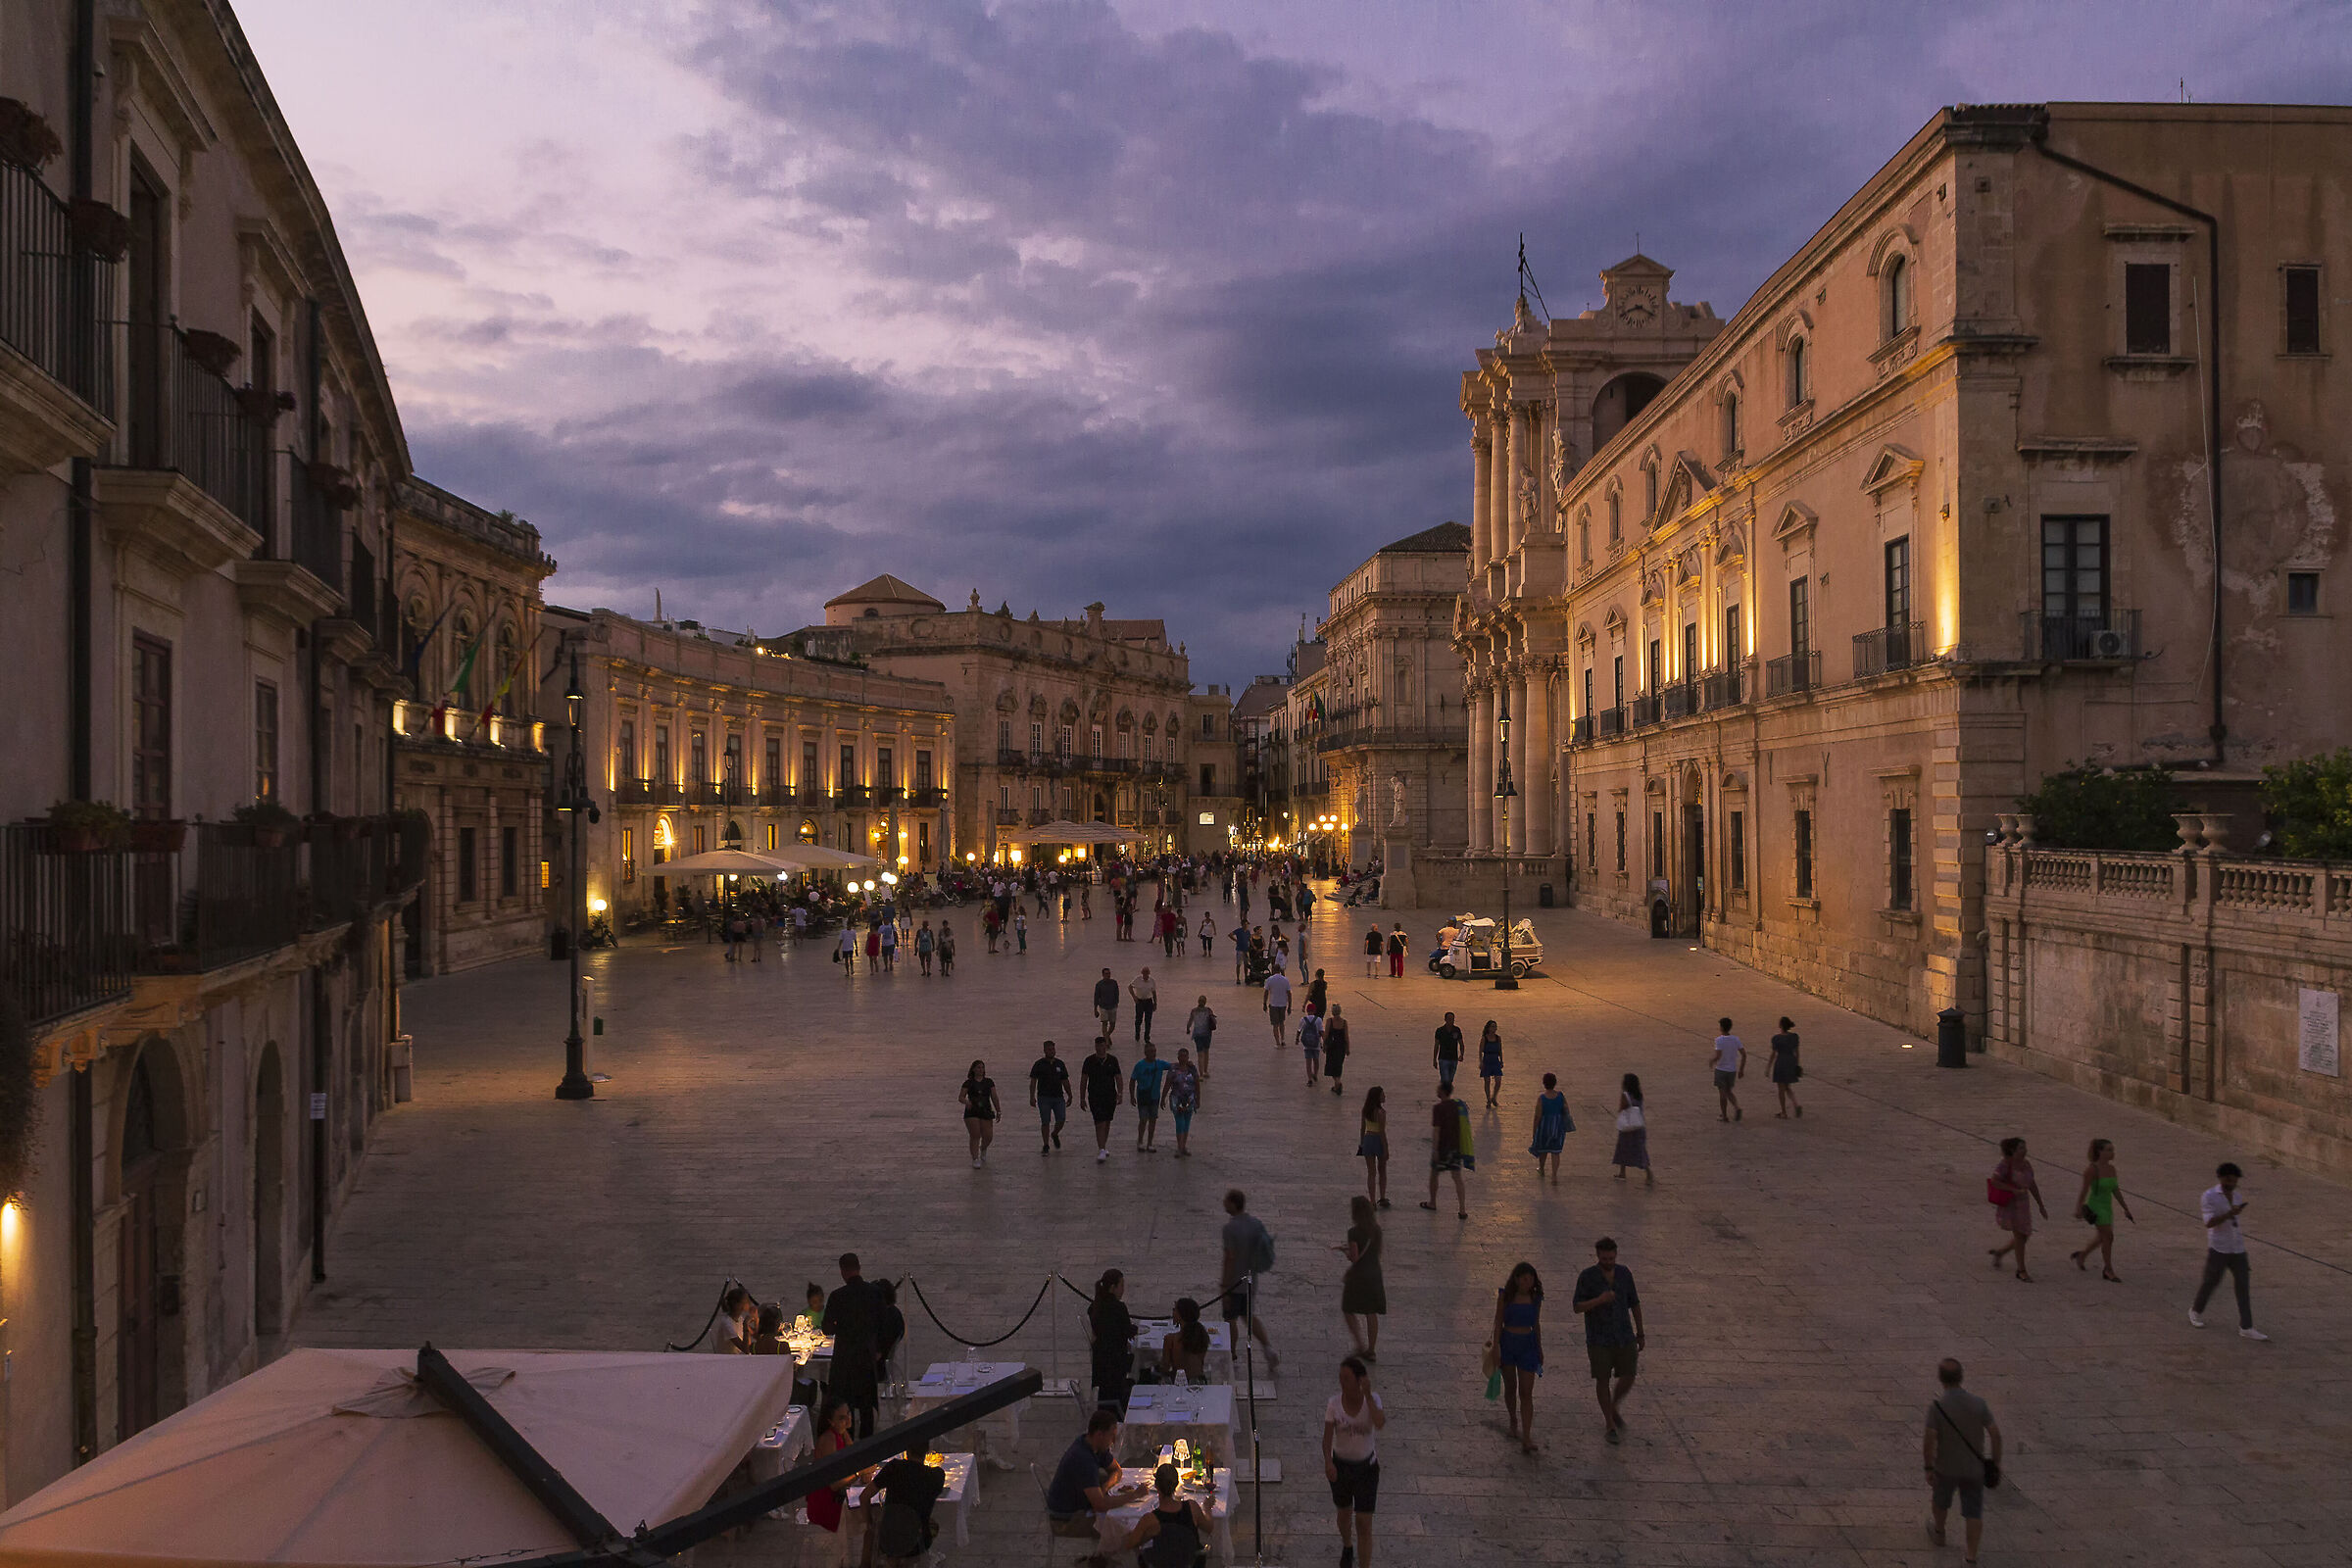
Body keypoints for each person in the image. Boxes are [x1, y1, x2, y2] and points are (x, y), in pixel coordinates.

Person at [1924, 1358, 2000, 1564]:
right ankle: (1971, 1556)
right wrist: (1995, 1462)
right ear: (1961, 1377)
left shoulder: (1938, 1407)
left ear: (1940, 1378)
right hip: (1974, 1469)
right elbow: (1995, 1433)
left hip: (1946, 1467)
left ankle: (1939, 1531)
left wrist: (1929, 1466)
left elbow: (1929, 1440)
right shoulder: (1978, 1404)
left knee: (1940, 1500)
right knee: (1973, 1511)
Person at [1571, 1238, 1643, 1446]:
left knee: (1629, 1374)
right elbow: (1577, 1306)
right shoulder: (1588, 1277)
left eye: (1611, 1258)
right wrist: (1599, 1300)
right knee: (1602, 1379)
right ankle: (1609, 1423)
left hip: (1624, 1335)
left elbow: (1635, 1303)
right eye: (1605, 1258)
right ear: (1598, 1256)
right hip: (1599, 1338)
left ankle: (1613, 1405)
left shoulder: (1624, 1274)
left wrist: (1641, 1332)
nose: (1608, 1261)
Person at [1045, 1407, 1140, 1563]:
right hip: (1067, 1519)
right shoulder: (1083, 1459)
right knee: (1123, 1526)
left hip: (1083, 1502)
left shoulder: (1094, 1444)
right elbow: (1101, 1505)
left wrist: (1105, 1487)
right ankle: (1103, 1561)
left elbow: (1116, 1470)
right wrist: (1134, 1495)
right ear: (1099, 1434)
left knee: (1121, 1515)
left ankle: (1103, 1558)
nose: (1114, 1442)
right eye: (1112, 1437)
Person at [2189, 1160, 2267, 1339]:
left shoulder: (2237, 1196)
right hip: (2219, 1247)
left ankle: (2246, 1326)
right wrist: (2228, 1215)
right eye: (2229, 1180)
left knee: (2243, 1285)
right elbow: (2209, 1223)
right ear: (2221, 1178)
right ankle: (2195, 1310)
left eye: (2234, 1181)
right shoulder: (2209, 1196)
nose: (2231, 1184)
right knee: (2211, 1281)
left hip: (2237, 1247)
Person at [1322, 1355, 1386, 1568]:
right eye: (1341, 1378)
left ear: (1360, 1380)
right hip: (1341, 1468)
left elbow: (1380, 1423)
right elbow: (1327, 1438)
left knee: (1364, 1522)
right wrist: (1328, 1462)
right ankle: (1347, 1544)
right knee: (1344, 1515)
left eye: (1347, 1378)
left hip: (1366, 1469)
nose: (1342, 1383)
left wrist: (1367, 1395)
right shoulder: (1334, 1404)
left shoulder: (1373, 1400)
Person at [823, 1253, 885, 1438]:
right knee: (866, 1407)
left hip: (845, 1360)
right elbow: (883, 1323)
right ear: (859, 1267)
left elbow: (827, 1328)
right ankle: (866, 1447)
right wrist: (879, 1350)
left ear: (842, 1271)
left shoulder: (837, 1296)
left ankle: (846, 1443)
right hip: (866, 1357)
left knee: (845, 1406)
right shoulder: (875, 1293)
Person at [1219, 1189, 1280, 1373]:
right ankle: (1268, 1348)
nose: (1223, 1203)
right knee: (1248, 1316)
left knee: (1230, 1319)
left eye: (1226, 1200)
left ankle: (1231, 1355)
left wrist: (1224, 1284)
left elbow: (1230, 1257)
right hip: (1251, 1280)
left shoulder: (1229, 1229)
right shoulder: (1255, 1224)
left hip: (1235, 1282)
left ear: (1233, 1204)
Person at [1487, 1261, 1544, 1454]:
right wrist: (1496, 1348)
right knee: (1511, 1387)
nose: (1528, 1281)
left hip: (1527, 1346)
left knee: (1526, 1392)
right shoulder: (1505, 1297)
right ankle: (1513, 1418)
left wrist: (1539, 1348)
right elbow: (1498, 1321)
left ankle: (1527, 1436)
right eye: (1525, 1278)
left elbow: (1536, 1324)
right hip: (1508, 1343)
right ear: (1517, 1279)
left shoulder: (1535, 1298)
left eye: (1531, 1278)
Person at [2068, 1138, 2135, 1281]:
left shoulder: (2111, 1169)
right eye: (2109, 1150)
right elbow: (2084, 1191)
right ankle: (2108, 1269)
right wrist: (2078, 1208)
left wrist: (2125, 1208)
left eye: (2112, 1150)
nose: (2112, 1153)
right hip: (2096, 1207)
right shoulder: (2092, 1170)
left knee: (2101, 1238)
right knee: (2108, 1237)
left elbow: (2115, 1190)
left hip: (2107, 1207)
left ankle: (2082, 1256)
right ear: (2100, 1151)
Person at [867, 1445, 947, 1565]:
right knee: (930, 1524)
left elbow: (864, 1497)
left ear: (906, 1451)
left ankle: (893, 1561)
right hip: (918, 1539)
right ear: (927, 1451)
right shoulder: (936, 1476)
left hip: (889, 1537)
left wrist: (870, 1523)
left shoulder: (893, 1468)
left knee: (894, 1529)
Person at [805, 1397, 861, 1565]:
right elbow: (834, 1484)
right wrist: (857, 1473)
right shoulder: (829, 1440)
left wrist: (844, 1431)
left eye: (848, 1414)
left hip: (836, 1494)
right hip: (825, 1502)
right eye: (842, 1417)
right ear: (830, 1421)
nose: (848, 1419)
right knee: (867, 1515)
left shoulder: (841, 1433)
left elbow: (853, 1455)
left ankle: (848, 1556)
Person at [1122, 1462, 1211, 1568]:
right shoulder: (1192, 1507)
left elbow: (1129, 1545)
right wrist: (1207, 1509)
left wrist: (1145, 1536)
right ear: (1177, 1483)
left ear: (1156, 1486)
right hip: (1192, 1564)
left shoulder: (1149, 1519)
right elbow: (1209, 1528)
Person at [1986, 1136, 2048, 1282]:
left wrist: (2040, 1205)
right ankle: (2021, 1270)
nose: (2025, 1150)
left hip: (2023, 1204)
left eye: (2024, 1147)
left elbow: (2032, 1184)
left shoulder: (2026, 1164)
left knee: (2024, 1235)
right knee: (2020, 1236)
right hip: (2011, 1205)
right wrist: (2012, 1190)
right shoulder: (2005, 1165)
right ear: (2012, 1151)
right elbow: (1995, 1181)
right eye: (2021, 1148)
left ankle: (2001, 1252)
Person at [1335, 1195, 1386, 1359]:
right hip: (1375, 1274)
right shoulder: (1376, 1229)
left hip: (1359, 1276)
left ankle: (1359, 1344)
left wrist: (1344, 1250)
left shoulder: (1354, 1232)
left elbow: (1354, 1258)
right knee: (1371, 1312)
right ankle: (1371, 1349)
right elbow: (1376, 1252)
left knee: (1348, 1308)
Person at [1090, 1269, 1137, 1413]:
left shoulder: (1095, 1306)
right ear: (1112, 1288)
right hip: (1116, 1363)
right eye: (1121, 1285)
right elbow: (1127, 1331)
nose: (1123, 1290)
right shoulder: (1118, 1308)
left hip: (1100, 1363)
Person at [1421, 1081, 1470, 1218]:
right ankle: (1462, 1209)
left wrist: (1435, 1150)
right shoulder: (1458, 1106)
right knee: (1457, 1177)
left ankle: (1432, 1202)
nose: (1436, 1090)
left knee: (1434, 1174)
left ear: (1442, 1091)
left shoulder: (1438, 1108)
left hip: (1443, 1148)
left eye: (1438, 1088)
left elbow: (1437, 1130)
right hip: (1455, 1147)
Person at [1030, 1040, 1070, 1153]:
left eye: (1053, 1049)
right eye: (1049, 1049)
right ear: (1044, 1050)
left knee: (1061, 1119)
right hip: (1044, 1097)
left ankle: (1055, 1133)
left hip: (1058, 1097)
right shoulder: (1039, 1064)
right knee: (1045, 1121)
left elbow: (1065, 1080)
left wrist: (1070, 1094)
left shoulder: (1060, 1064)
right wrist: (1032, 1096)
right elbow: (1033, 1081)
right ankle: (1046, 1144)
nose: (1051, 1051)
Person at [1131, 1040, 1171, 1152]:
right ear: (1146, 1053)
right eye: (1151, 1051)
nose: (1153, 1053)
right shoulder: (1140, 1065)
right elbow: (1132, 1080)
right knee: (1143, 1119)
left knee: (1153, 1119)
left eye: (1154, 1051)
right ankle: (1140, 1141)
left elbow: (1172, 1066)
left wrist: (1186, 1063)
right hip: (1143, 1096)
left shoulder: (1159, 1064)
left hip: (1154, 1096)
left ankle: (1150, 1143)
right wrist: (1132, 1095)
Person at [1611, 1073, 1651, 1184]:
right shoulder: (1639, 1095)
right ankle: (1648, 1173)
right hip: (1639, 1127)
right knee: (1640, 1150)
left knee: (1623, 1148)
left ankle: (1622, 1173)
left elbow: (1622, 1108)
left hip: (1627, 1129)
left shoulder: (1625, 1095)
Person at [959, 1058, 1000, 1167]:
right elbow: (961, 1097)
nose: (980, 1070)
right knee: (975, 1135)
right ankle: (975, 1158)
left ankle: (983, 1148)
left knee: (988, 1136)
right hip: (972, 1111)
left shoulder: (989, 1082)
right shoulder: (968, 1083)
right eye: (978, 1067)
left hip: (985, 1110)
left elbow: (994, 1097)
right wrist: (966, 1102)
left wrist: (998, 1110)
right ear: (973, 1069)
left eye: (982, 1067)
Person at [1530, 1072, 1571, 1179]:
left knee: (1543, 1150)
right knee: (1555, 1152)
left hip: (1544, 1127)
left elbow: (1537, 1116)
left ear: (1544, 1083)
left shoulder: (1542, 1098)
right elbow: (1566, 1109)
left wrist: (1534, 1131)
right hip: (1557, 1127)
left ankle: (1542, 1169)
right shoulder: (1560, 1096)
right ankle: (1554, 1175)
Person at [1159, 1297, 1210, 1382]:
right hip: (1199, 1381)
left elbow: (1166, 1367)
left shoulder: (1170, 1339)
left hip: (1178, 1382)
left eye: (1174, 1310)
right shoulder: (1202, 1335)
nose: (1173, 1312)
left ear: (1180, 1315)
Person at [1357, 1087, 1390, 1209]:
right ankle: (1382, 1196)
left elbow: (1362, 1128)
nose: (1384, 1096)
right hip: (1377, 1140)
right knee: (1382, 1170)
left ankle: (1372, 1201)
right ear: (1377, 1097)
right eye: (1382, 1095)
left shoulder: (1365, 1110)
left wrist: (1362, 1144)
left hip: (1367, 1139)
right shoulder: (1381, 1113)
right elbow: (1382, 1132)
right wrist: (1386, 1149)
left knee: (1371, 1172)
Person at [1167, 1048, 1200, 1157]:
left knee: (1186, 1124)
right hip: (1177, 1099)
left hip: (1190, 1099)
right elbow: (1168, 1083)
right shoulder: (1173, 1069)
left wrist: (1198, 1098)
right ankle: (1180, 1147)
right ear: (1178, 1057)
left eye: (1185, 1056)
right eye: (1181, 1056)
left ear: (1188, 1057)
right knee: (1179, 1123)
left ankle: (1183, 1146)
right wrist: (1163, 1097)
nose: (1183, 1058)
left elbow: (1197, 1084)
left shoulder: (1192, 1069)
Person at [1710, 1018, 1744, 1122]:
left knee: (1722, 1094)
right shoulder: (1736, 1039)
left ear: (1721, 1027)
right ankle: (1737, 1107)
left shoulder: (1719, 1040)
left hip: (1721, 1070)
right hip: (1732, 1070)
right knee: (1729, 1091)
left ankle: (1724, 1116)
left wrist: (1711, 1061)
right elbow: (1744, 1054)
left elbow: (1718, 1056)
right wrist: (1741, 1069)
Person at [713, 1284, 753, 1354]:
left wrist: (756, 1320)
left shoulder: (739, 1318)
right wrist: (746, 1324)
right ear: (737, 1305)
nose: (749, 1303)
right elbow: (745, 1349)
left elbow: (753, 1335)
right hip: (728, 1359)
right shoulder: (727, 1323)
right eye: (746, 1301)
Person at [1186, 996, 1217, 1079]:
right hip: (1207, 1033)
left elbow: (1190, 1021)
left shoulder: (1194, 1011)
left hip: (1197, 1034)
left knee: (1200, 1054)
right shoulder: (1208, 1010)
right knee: (1206, 1052)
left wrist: (1188, 1029)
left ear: (1198, 1001)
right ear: (1205, 1002)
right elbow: (1214, 1021)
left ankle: (1201, 1074)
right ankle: (1205, 1071)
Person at [1433, 1013, 1463, 1096]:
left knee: (1450, 1080)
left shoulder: (1457, 1030)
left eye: (1452, 1019)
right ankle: (1445, 1097)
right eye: (1449, 1019)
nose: (1451, 1021)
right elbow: (1436, 1045)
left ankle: (1445, 1096)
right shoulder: (1440, 1030)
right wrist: (1434, 1059)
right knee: (1445, 1080)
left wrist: (1461, 1054)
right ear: (1445, 1019)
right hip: (1443, 1058)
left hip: (1454, 1059)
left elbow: (1461, 1043)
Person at [1323, 1006, 1351, 1095]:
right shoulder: (1344, 1022)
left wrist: (1324, 1046)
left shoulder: (1329, 1021)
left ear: (1332, 1012)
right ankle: (1336, 1085)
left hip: (1332, 1047)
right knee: (1339, 1065)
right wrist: (1348, 1048)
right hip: (1341, 1047)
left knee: (1331, 1066)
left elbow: (1326, 1035)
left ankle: (1337, 1083)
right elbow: (1346, 1037)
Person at [1263, 965, 1292, 1045]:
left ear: (1273, 970)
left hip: (1273, 1004)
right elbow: (1289, 993)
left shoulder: (1270, 980)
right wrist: (1289, 1006)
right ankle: (1283, 1039)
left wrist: (1264, 1003)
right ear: (1279, 970)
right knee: (1281, 1023)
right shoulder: (1285, 980)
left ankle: (1277, 1042)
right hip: (1283, 1004)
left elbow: (1266, 992)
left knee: (1275, 1025)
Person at [1478, 1020, 1503, 1107]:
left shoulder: (1498, 1038)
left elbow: (1500, 1050)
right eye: (1492, 1026)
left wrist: (1501, 1060)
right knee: (1487, 1081)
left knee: (1498, 1080)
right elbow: (1480, 1051)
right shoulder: (1484, 1038)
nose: (1494, 1028)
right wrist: (1480, 1062)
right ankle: (1488, 1099)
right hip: (1487, 1060)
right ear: (1488, 1028)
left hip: (1495, 1060)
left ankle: (1494, 1097)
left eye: (1495, 1027)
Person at [1130, 967, 1158, 1043]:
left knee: (1148, 1020)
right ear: (1142, 973)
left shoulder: (1152, 981)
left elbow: (1154, 993)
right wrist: (1134, 997)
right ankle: (1137, 1034)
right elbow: (1130, 987)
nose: (1145, 974)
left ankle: (1147, 1037)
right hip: (1139, 1002)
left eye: (1147, 972)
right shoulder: (1137, 980)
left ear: (1149, 973)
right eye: (1144, 972)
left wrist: (1155, 1003)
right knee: (1138, 1019)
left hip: (1149, 1002)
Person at [1093, 968, 1120, 1038]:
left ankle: (1107, 1036)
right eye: (1106, 974)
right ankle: (1106, 1041)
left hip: (1113, 1006)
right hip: (1103, 1007)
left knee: (1113, 1025)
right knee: (1104, 1023)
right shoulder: (1099, 984)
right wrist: (1095, 1009)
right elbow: (1096, 997)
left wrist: (1116, 1003)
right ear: (1103, 975)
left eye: (1109, 973)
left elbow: (1117, 993)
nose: (1108, 975)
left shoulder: (1114, 983)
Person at [1300, 1007, 1324, 1086]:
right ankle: (1315, 1074)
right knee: (1316, 1060)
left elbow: (1299, 1030)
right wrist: (1324, 1042)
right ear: (1315, 1011)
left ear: (1307, 1011)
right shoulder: (1319, 1020)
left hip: (1307, 1045)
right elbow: (1321, 1031)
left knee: (1308, 1062)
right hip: (1316, 1044)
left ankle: (1309, 1079)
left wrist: (1297, 1039)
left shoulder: (1303, 1019)